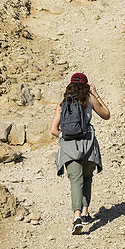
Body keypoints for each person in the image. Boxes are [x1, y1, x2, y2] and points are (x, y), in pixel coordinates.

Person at [51, 72, 110, 234]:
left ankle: (77, 216)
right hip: (89, 146)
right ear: (86, 86)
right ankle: (85, 213)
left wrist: (66, 135)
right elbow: (106, 114)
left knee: (75, 181)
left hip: (69, 148)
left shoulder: (62, 103)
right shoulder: (89, 100)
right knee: (87, 178)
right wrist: (96, 94)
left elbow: (53, 130)